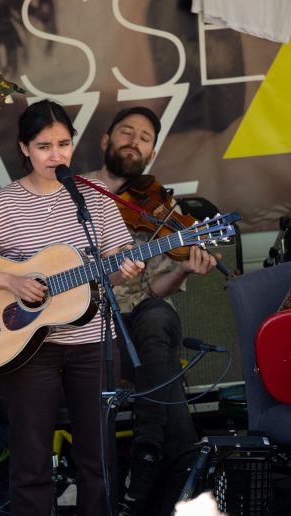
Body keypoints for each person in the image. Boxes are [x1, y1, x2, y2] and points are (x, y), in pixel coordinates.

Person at [0, 99, 145, 516]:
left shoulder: (96, 200)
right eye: (44, 146)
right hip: (29, 348)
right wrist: (10, 280)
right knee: (31, 459)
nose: (56, 155)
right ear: (24, 149)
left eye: (64, 144)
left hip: (92, 343)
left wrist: (124, 270)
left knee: (99, 459)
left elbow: (118, 261)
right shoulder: (4, 205)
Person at [85, 106, 219, 516]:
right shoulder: (74, 193)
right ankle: (178, 474)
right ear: (106, 141)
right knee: (168, 389)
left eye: (145, 138)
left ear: (152, 155)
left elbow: (156, 293)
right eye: (127, 132)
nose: (134, 141)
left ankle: (146, 451)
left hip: (139, 333)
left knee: (158, 317)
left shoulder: (156, 211)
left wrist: (181, 267)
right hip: (87, 329)